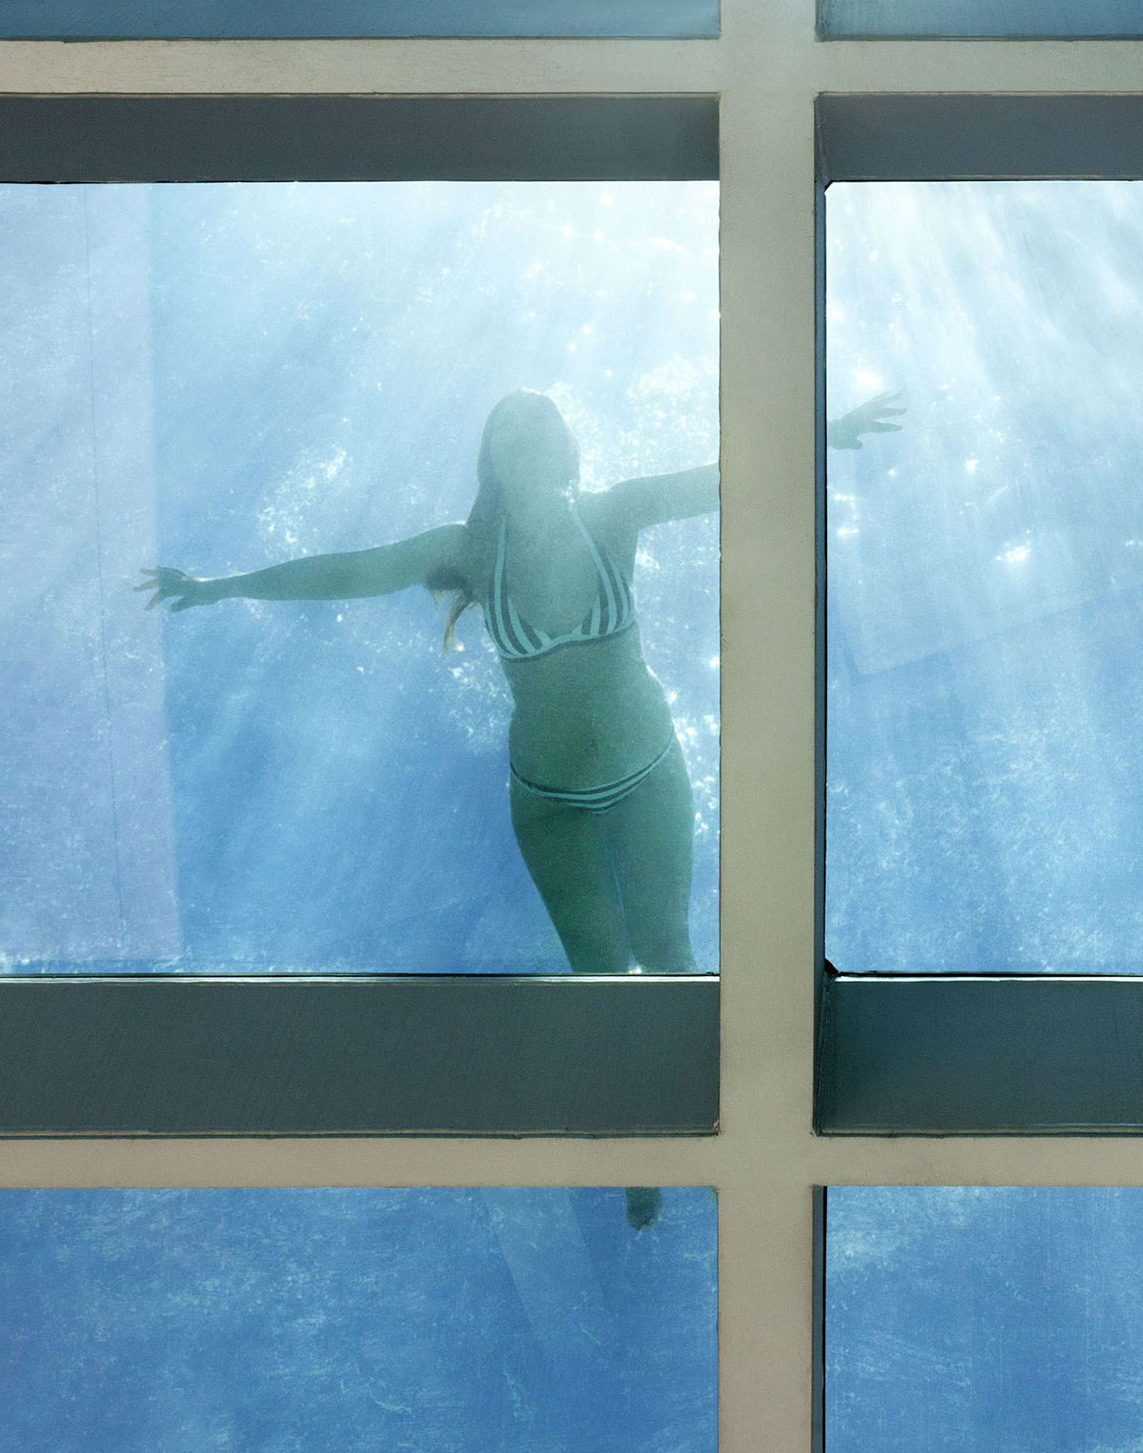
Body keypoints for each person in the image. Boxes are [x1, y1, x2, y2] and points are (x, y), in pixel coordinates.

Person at [140, 384, 900, 1219]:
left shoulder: (614, 513)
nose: (530, 443)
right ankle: (642, 1152)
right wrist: (219, 586)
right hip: (549, 801)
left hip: (648, 773)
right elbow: (350, 572)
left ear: (567, 445)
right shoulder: (469, 549)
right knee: (601, 981)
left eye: (542, 428)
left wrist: (825, 431)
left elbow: (727, 479)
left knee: (669, 954)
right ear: (494, 462)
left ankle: (729, 1144)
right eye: (512, 434)